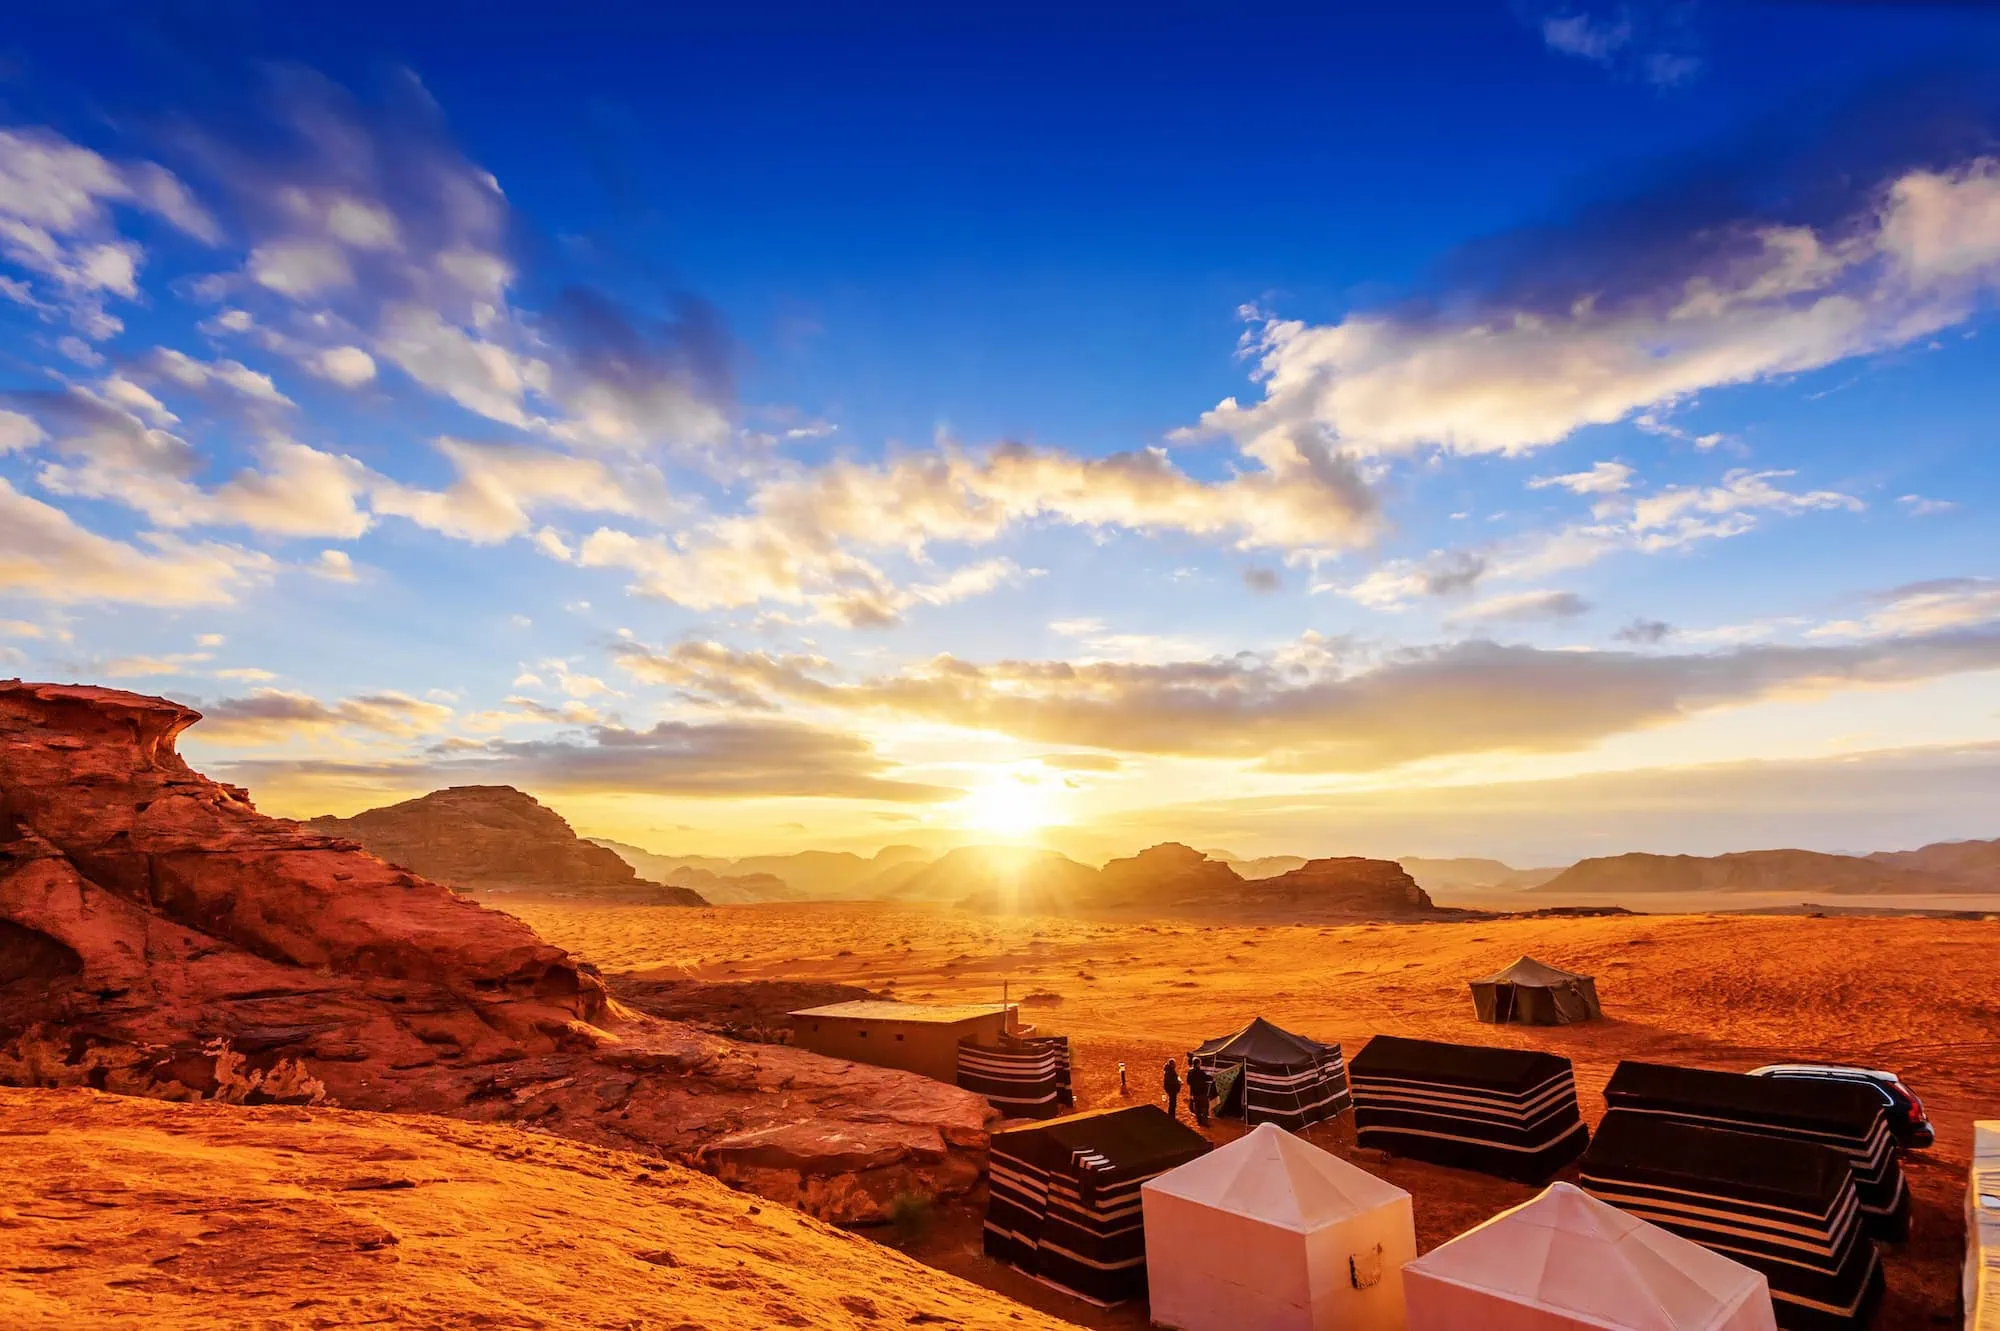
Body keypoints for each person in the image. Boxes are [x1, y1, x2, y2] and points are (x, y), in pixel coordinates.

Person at [1187, 1060, 1211, 1127]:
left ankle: (1199, 1122)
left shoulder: (1190, 1072)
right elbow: (1207, 1078)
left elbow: (1188, 1082)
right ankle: (1204, 1122)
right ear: (1198, 1064)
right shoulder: (1201, 1072)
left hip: (1194, 1093)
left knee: (1197, 1107)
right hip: (1202, 1093)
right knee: (1205, 1107)